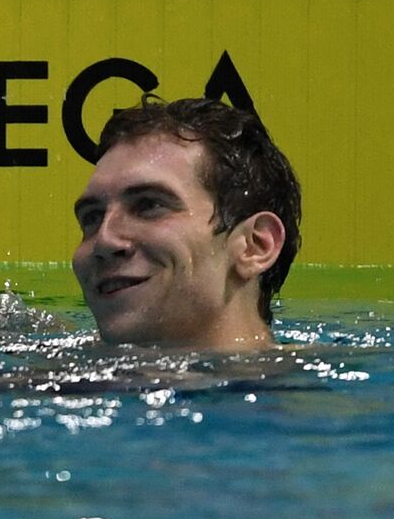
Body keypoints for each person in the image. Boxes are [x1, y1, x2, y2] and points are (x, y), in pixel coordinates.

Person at [71, 96, 302, 350]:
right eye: (92, 217)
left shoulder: (319, 383)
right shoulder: (49, 379)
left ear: (255, 246)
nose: (104, 240)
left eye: (149, 205)